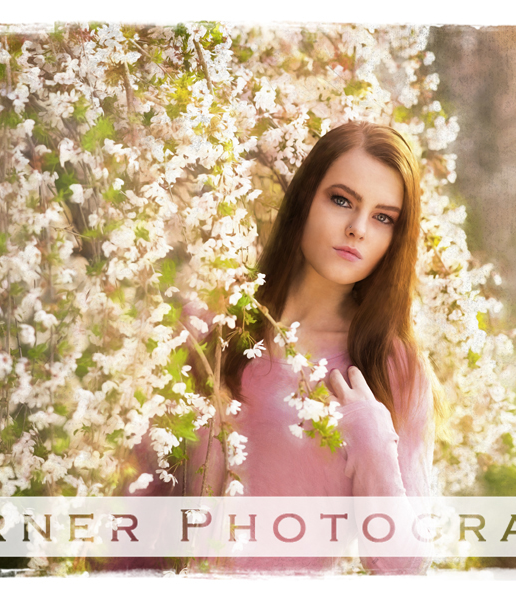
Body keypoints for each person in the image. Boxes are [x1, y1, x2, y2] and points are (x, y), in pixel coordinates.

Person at [127, 121, 444, 575]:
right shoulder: (208, 327)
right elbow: (135, 508)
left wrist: (371, 437)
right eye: (342, 201)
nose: (357, 228)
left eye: (382, 217)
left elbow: (403, 567)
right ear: (305, 200)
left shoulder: (392, 367)